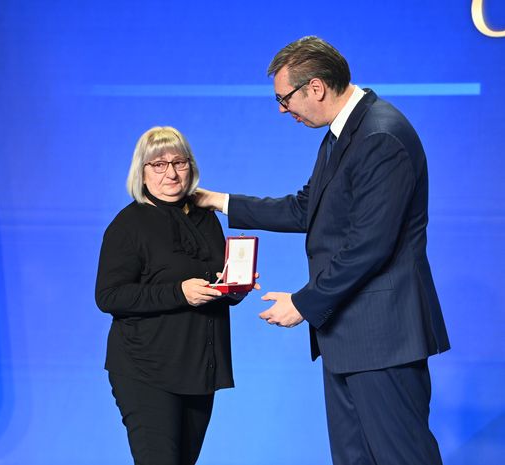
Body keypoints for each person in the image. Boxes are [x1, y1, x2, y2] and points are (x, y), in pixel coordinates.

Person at [196, 36, 450, 465]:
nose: (282, 110)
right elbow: (305, 208)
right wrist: (218, 201)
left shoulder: (380, 135)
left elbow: (369, 245)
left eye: (284, 99)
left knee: (401, 457)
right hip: (348, 337)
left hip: (383, 338)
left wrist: (304, 303)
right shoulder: (342, 134)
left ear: (315, 87)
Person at [95, 126, 247, 465]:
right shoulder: (128, 224)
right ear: (142, 172)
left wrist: (234, 287)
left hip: (198, 369)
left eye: (179, 162)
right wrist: (179, 292)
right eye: (159, 164)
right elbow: (109, 296)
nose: (172, 173)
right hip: (146, 369)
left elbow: (214, 284)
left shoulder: (206, 218)